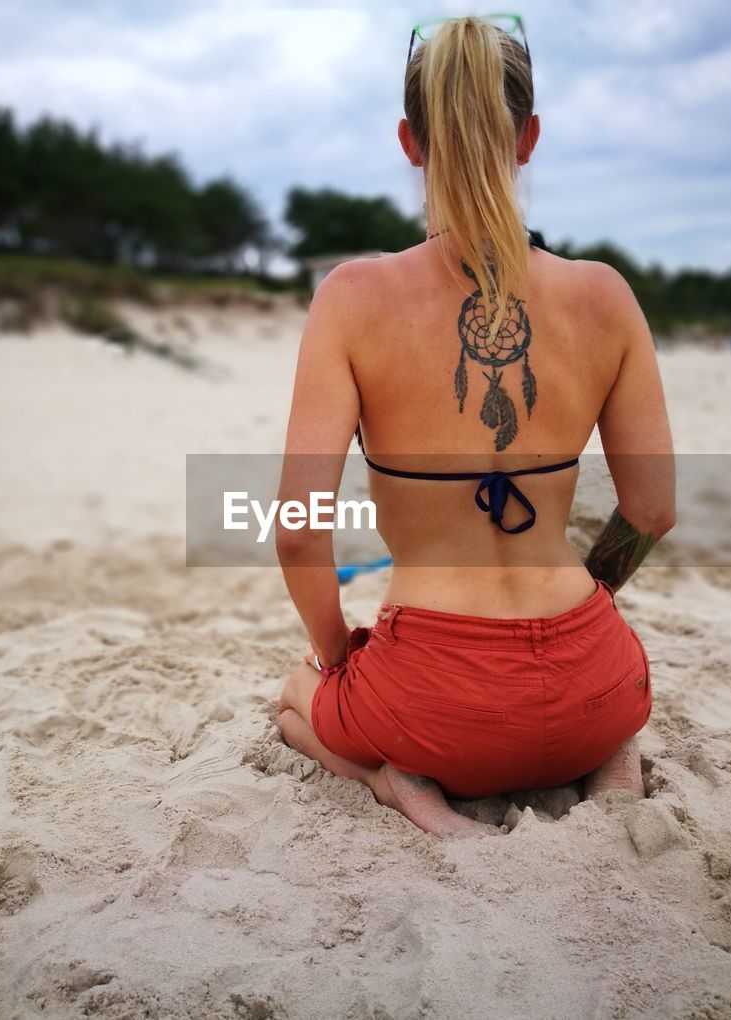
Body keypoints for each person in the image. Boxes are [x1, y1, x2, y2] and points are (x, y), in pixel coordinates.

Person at [275, 15, 675, 837]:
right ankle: (609, 759)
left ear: (409, 142)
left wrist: (340, 657)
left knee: (293, 696)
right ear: (527, 138)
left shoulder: (353, 297)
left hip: (434, 700)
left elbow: (297, 532)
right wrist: (589, 598)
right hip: (594, 680)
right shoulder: (605, 295)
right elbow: (653, 510)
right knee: (583, 701)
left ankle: (400, 789)